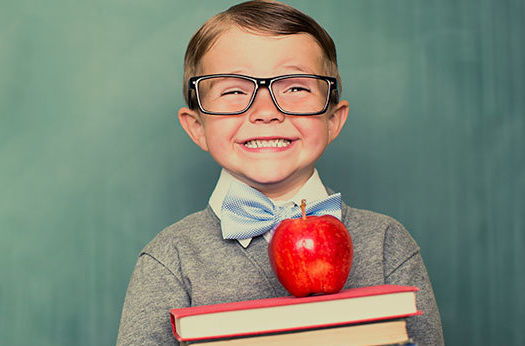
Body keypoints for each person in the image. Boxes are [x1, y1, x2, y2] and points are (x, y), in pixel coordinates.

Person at [116, 1, 444, 345]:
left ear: (333, 120)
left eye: (296, 88)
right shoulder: (170, 260)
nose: (266, 111)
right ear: (197, 127)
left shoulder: (387, 244)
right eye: (233, 91)